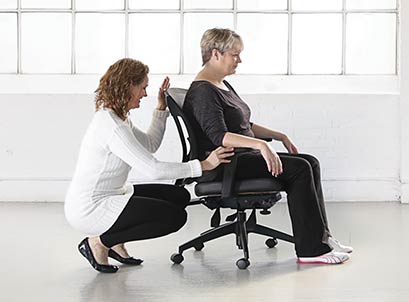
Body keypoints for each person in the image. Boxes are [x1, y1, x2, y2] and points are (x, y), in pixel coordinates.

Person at [183, 28, 353, 264]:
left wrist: (279, 135)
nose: (239, 60)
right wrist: (262, 146)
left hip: (242, 157)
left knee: (310, 162)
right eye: (235, 54)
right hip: (227, 164)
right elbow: (220, 136)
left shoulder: (221, 84)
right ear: (216, 54)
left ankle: (322, 237)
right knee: (299, 169)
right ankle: (310, 250)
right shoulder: (203, 91)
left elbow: (243, 124)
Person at [65, 58, 234, 273]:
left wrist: (161, 108)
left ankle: (116, 240)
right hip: (91, 208)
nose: (145, 93)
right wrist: (203, 165)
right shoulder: (111, 126)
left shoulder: (119, 118)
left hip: (114, 193)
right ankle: (99, 242)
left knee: (178, 196)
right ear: (128, 86)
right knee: (174, 218)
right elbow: (153, 169)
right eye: (143, 87)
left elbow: (150, 145)